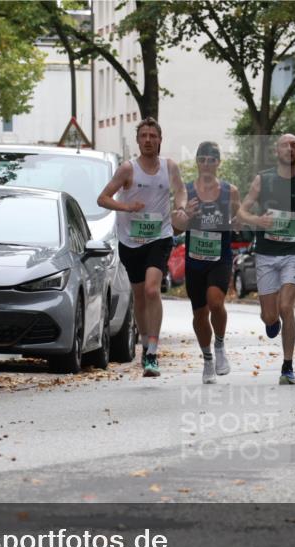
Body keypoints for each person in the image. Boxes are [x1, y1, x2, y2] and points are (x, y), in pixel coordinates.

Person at [97, 117, 188, 377]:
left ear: (160, 140)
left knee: (151, 290)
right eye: (144, 136)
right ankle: (145, 343)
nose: (148, 140)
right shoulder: (127, 169)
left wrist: (180, 206)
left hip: (159, 236)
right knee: (138, 295)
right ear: (138, 141)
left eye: (153, 136)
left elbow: (180, 191)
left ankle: (152, 352)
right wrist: (126, 207)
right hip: (130, 240)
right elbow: (102, 198)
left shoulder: (169, 167)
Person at [237, 134, 295, 385]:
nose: (290, 148)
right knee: (269, 316)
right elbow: (243, 210)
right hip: (266, 253)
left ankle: (287, 366)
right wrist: (257, 221)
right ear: (277, 151)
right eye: (285, 145)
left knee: (287, 306)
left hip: (294, 253)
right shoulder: (262, 180)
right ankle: (271, 321)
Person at [172, 141, 239, 384]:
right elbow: (175, 226)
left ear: (218, 162)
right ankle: (208, 358)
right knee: (199, 314)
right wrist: (186, 215)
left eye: (212, 159)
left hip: (219, 257)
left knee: (215, 301)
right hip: (194, 260)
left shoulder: (230, 191)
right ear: (197, 162)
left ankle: (219, 346)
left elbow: (238, 219)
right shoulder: (186, 191)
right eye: (203, 159)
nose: (208, 164)